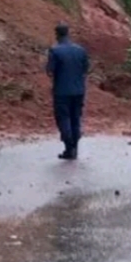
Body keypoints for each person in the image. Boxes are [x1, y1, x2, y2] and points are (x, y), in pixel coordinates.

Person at [45, 23, 90, 160]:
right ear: (68, 33)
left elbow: (49, 71)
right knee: (76, 118)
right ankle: (74, 147)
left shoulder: (55, 51)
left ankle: (69, 147)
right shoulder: (80, 50)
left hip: (61, 91)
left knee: (63, 118)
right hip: (79, 91)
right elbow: (86, 69)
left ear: (57, 35)